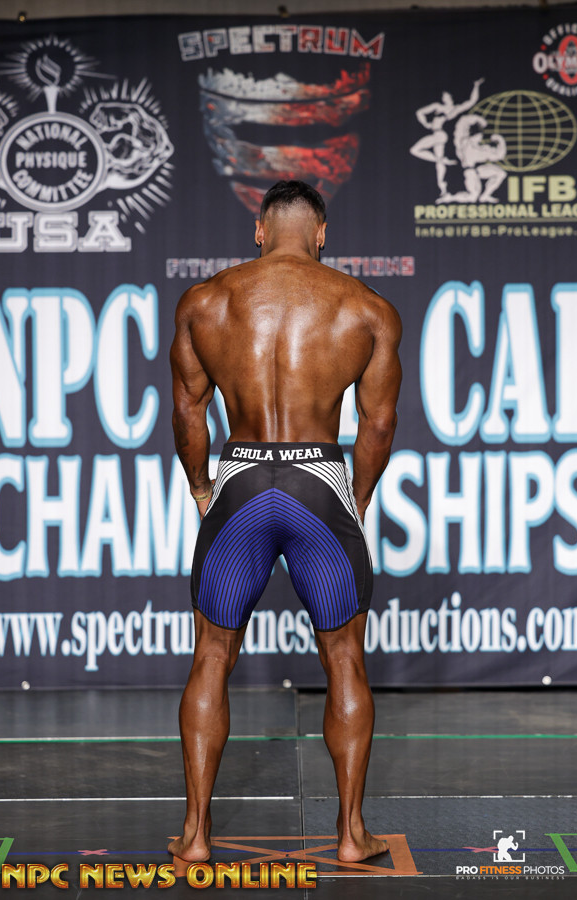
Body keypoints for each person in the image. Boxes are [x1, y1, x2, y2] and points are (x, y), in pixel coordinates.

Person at [168, 180, 402, 864]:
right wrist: (357, 498)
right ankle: (352, 835)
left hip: (240, 481)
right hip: (319, 485)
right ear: (322, 234)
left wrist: (202, 486)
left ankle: (196, 836)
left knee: (212, 655)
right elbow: (378, 424)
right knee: (344, 658)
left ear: (260, 230)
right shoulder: (366, 308)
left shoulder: (205, 302)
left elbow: (187, 411)